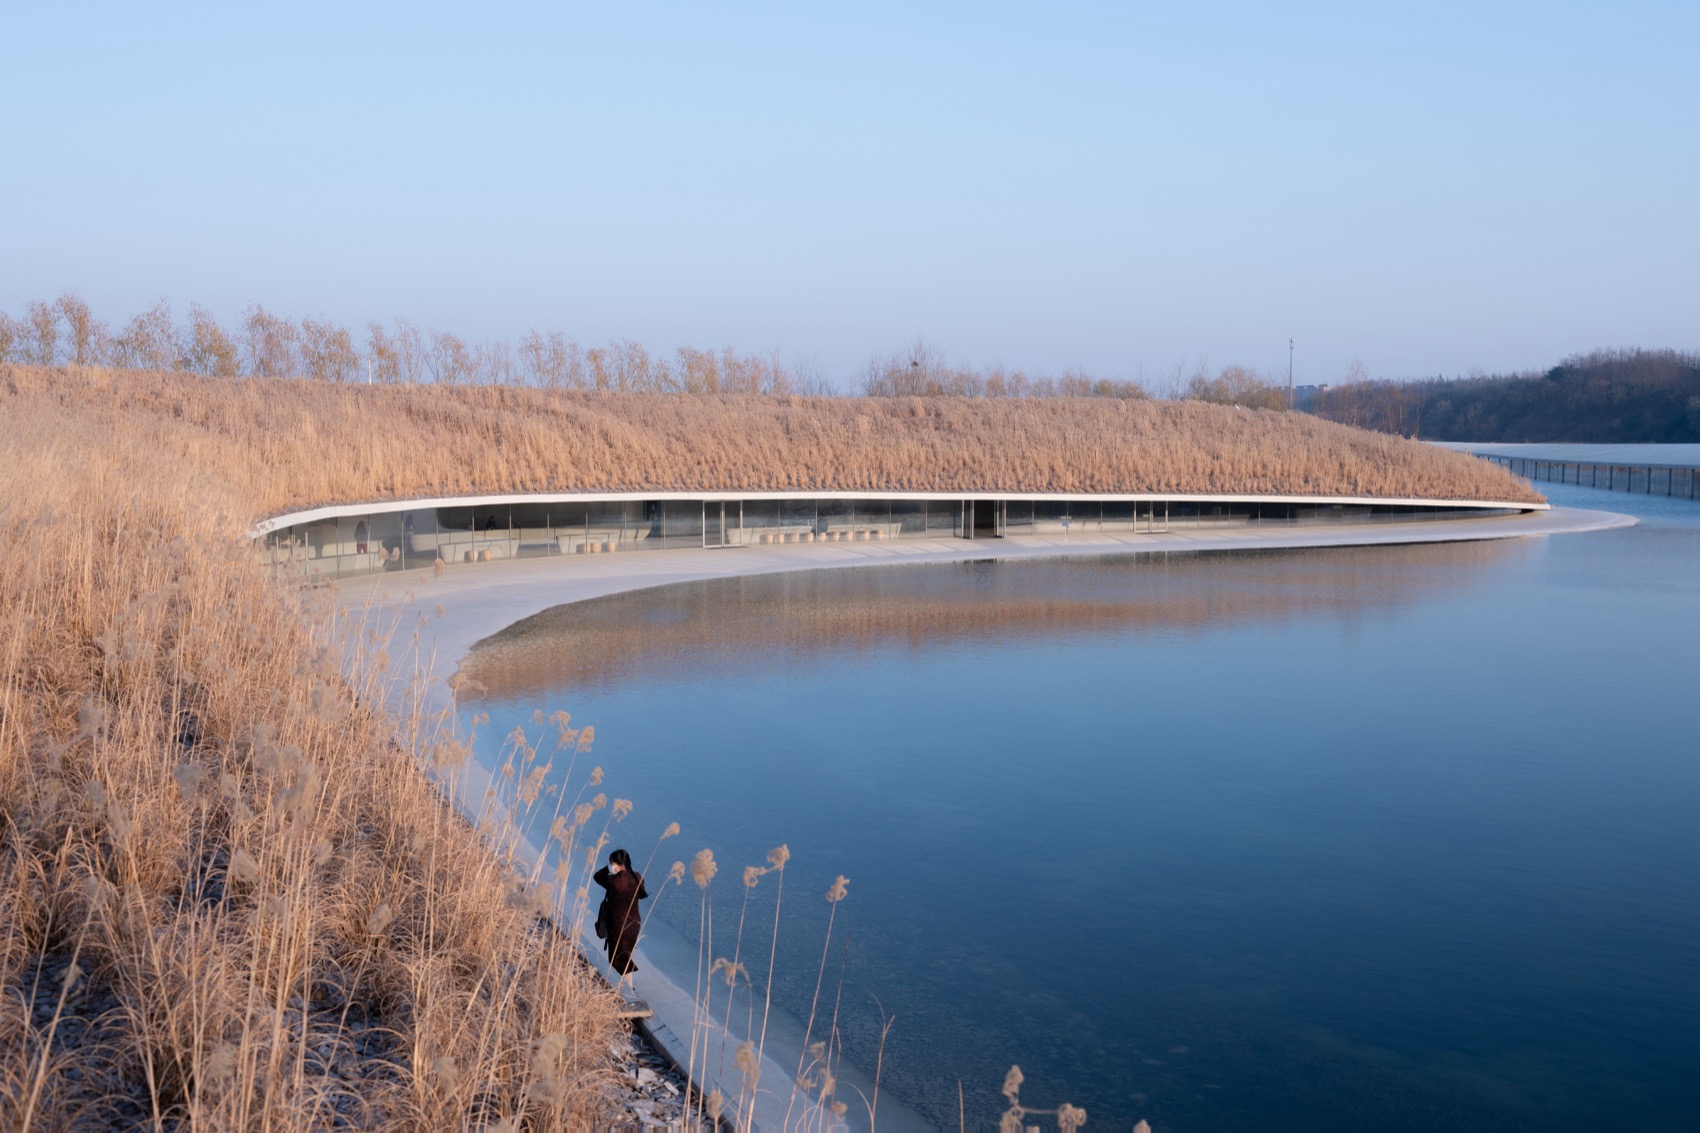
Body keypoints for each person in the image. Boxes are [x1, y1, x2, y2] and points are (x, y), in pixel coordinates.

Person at [593, 848, 649, 993]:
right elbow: (642, 895)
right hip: (633, 925)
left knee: (618, 959)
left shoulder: (614, 881)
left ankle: (627, 990)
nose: (610, 866)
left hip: (618, 926)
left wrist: (609, 870)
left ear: (619, 864)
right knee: (626, 956)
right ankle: (629, 988)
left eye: (612, 863)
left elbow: (597, 876)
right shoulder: (636, 878)